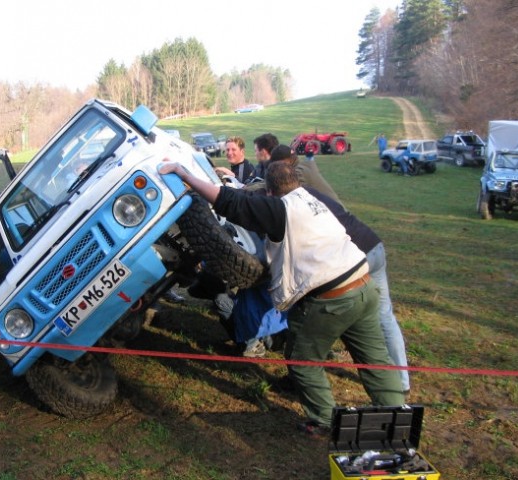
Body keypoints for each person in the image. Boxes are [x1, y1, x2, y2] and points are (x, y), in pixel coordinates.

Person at [158, 159, 405, 434]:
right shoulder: (313, 199)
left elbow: (229, 201)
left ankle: (323, 421)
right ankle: (396, 414)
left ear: (271, 192)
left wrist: (184, 174)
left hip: (331, 298)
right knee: (375, 359)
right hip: (364, 285)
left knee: (302, 360)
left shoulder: (281, 209)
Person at [269, 146, 410, 393]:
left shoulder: (297, 195)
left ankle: (304, 374)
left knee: (327, 315)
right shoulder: (311, 188)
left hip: (352, 256)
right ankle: (401, 382)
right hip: (373, 244)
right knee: (385, 316)